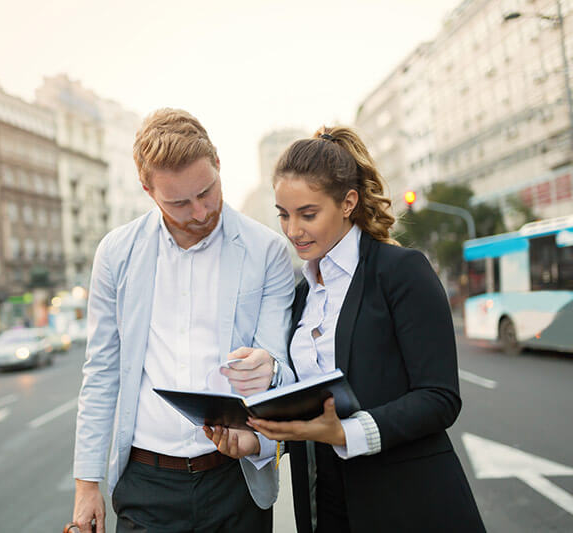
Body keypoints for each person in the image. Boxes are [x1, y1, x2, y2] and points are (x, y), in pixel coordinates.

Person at [206, 127, 485, 532]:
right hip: (325, 500)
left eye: (308, 214)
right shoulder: (302, 295)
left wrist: (345, 432)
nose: (292, 230)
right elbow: (306, 407)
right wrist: (261, 440)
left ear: (348, 203)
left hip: (409, 499)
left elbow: (440, 398)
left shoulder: (401, 271)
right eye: (284, 214)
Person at [71, 108, 297, 533]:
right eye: (179, 202)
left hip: (236, 479)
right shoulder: (116, 254)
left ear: (217, 164)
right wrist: (87, 485)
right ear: (147, 190)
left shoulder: (267, 251)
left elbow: (282, 371)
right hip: (147, 485)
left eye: (207, 191)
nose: (199, 212)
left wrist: (268, 375)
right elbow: (101, 372)